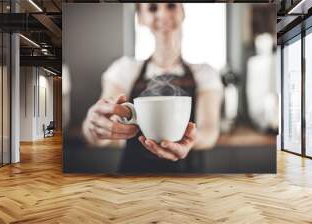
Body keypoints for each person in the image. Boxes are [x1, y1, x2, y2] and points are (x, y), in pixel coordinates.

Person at [82, 3, 223, 173]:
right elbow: (102, 124)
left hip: (188, 178)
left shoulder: (205, 73)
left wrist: (191, 140)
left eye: (171, 5)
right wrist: (95, 129)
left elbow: (209, 131)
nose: (162, 14)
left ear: (183, 11)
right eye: (153, 8)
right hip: (134, 178)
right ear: (140, 18)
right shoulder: (124, 69)